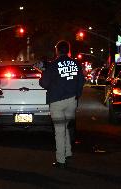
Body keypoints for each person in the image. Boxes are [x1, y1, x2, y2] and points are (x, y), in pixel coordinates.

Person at [39, 40, 85, 168]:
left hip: (57, 101)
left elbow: (44, 83)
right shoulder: (76, 64)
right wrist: (77, 95)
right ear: (68, 50)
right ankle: (68, 152)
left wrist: (44, 72)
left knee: (59, 130)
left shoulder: (53, 65)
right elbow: (81, 81)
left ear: (57, 50)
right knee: (67, 127)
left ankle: (61, 160)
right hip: (71, 101)